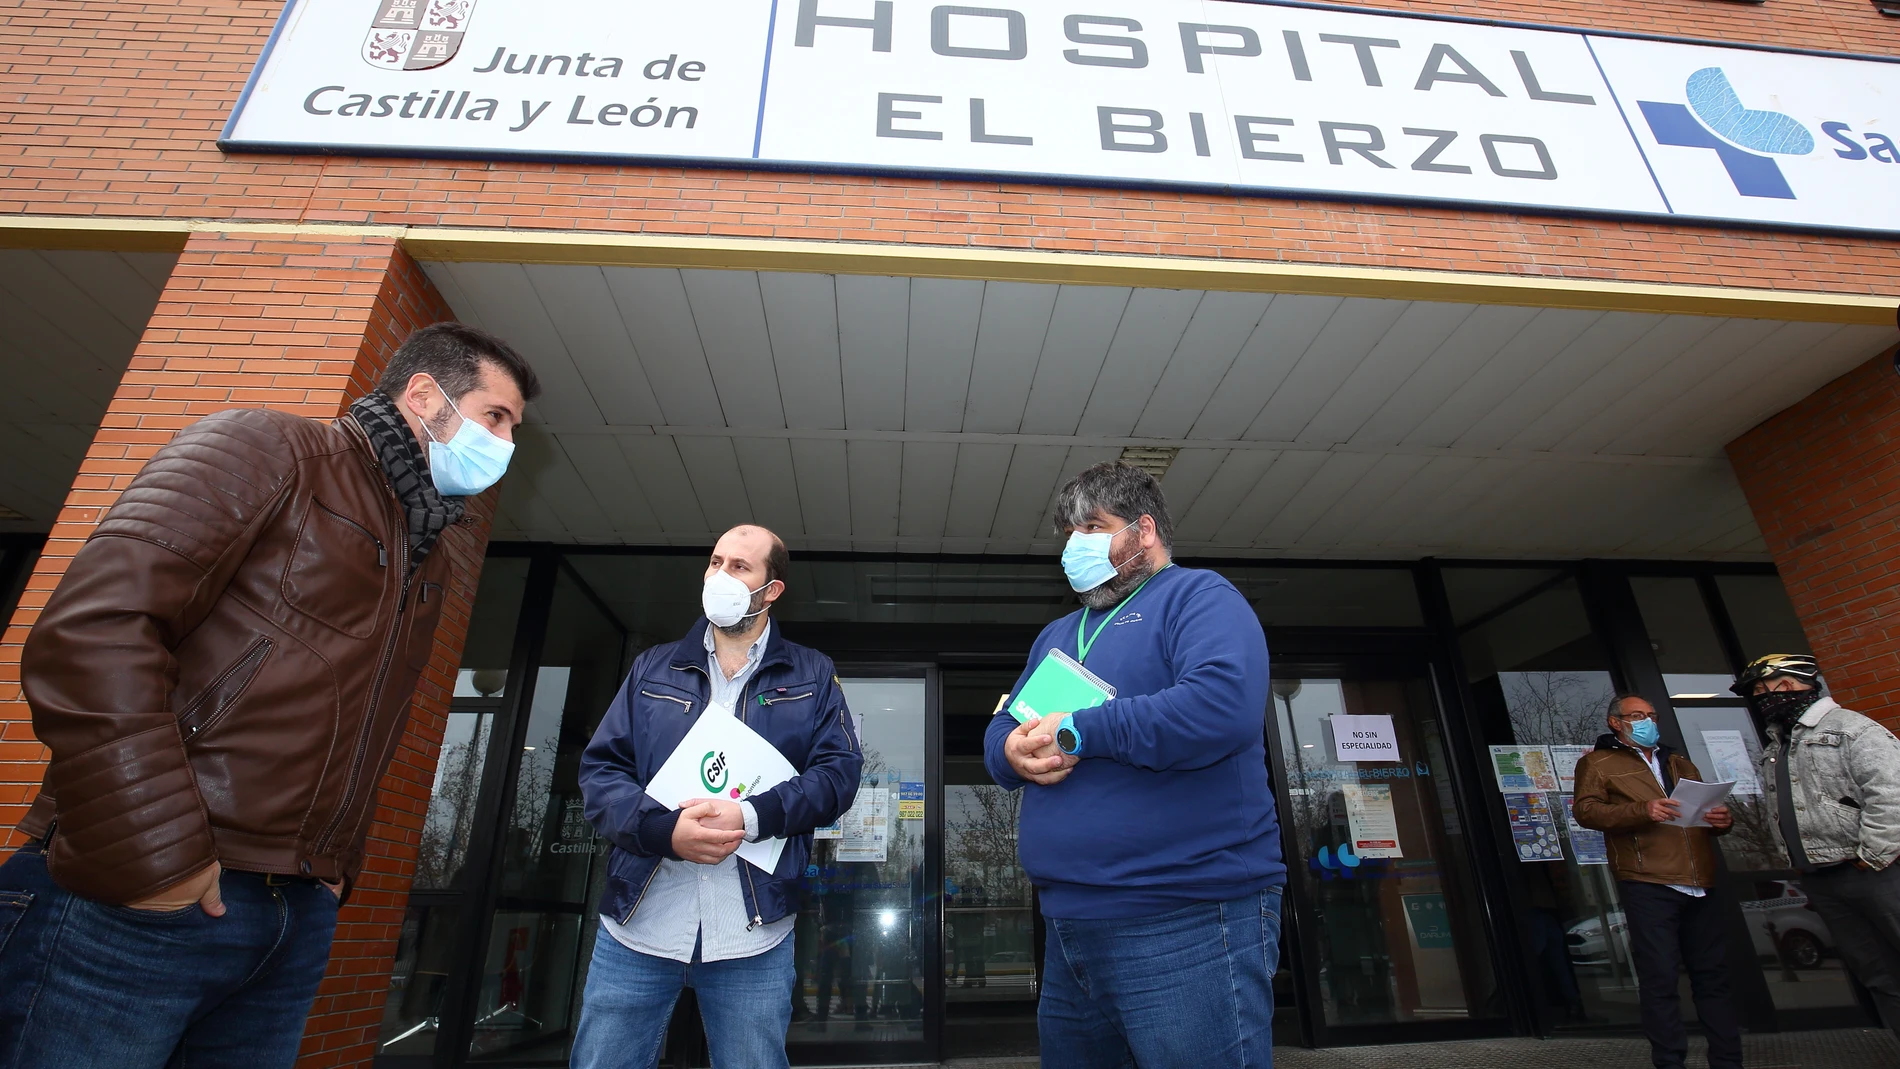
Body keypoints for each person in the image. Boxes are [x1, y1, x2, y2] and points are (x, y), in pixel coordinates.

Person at [0, 323, 540, 1069]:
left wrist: (327, 879)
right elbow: (92, 632)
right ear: (425, 395)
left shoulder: (431, 553)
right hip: (137, 899)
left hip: (292, 916)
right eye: (497, 417)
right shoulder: (271, 448)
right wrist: (163, 854)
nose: (507, 445)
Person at [983, 461, 1283, 1069]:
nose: (1076, 545)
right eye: (1069, 533)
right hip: (1070, 927)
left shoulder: (1199, 597)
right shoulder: (1058, 634)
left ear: (1144, 531)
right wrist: (1011, 753)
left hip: (1186, 919)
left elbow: (1220, 708)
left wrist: (1078, 730)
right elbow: (1000, 731)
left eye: (1093, 527)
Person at [573, 524, 862, 1069]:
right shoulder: (652, 668)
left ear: (771, 589)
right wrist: (663, 832)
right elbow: (600, 772)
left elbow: (839, 774)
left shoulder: (813, 673)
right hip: (639, 926)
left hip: (751, 936)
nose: (719, 575)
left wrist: (753, 816)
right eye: (714, 562)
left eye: (739, 566)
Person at [1573, 694, 1740, 1069]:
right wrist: (1641, 810)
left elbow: (1698, 813)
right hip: (1648, 878)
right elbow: (1586, 811)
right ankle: (1669, 1061)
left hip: (1700, 878)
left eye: (1651, 715)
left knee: (1713, 978)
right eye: (1636, 716)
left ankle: (1728, 1061)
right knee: (1660, 980)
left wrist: (1721, 822)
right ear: (1615, 722)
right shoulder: (1598, 763)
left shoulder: (1679, 761)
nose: (1647, 722)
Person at [1738, 653, 1900, 1040]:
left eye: (1769, 688)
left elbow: (1892, 795)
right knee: (1877, 973)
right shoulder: (1777, 745)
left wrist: (1871, 857)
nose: (1763, 698)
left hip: (1876, 871)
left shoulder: (1852, 729)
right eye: (1758, 692)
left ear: (1797, 684)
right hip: (1823, 878)